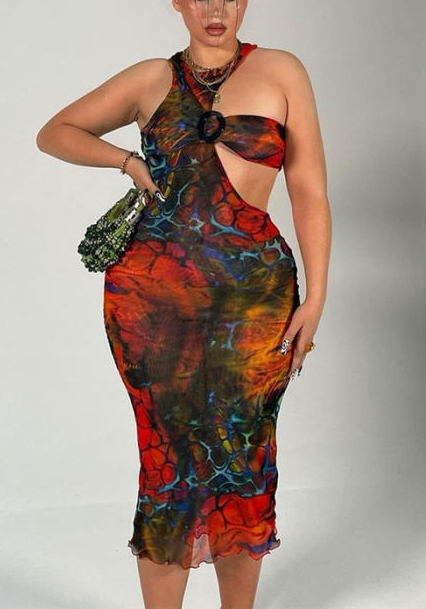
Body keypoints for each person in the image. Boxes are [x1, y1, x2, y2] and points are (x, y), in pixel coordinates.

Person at [37, 1, 331, 607]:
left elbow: (308, 189)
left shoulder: (283, 71)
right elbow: (55, 132)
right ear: (177, 0)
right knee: (168, 463)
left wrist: (318, 297)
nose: (215, 8)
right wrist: (127, 161)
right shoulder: (152, 78)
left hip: (255, 302)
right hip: (152, 304)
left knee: (243, 458)